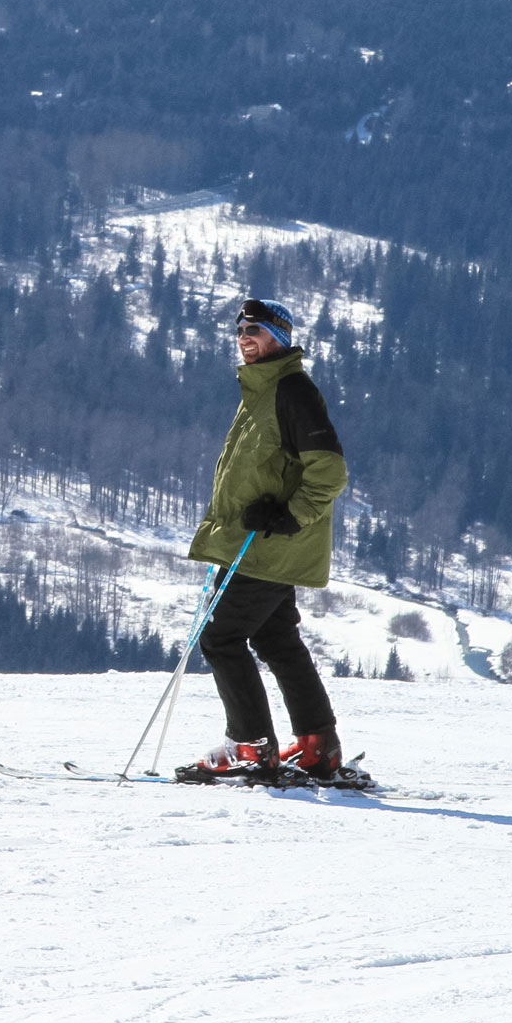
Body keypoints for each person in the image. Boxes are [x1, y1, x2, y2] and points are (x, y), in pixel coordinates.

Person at [178, 299, 359, 785]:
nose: (244, 336)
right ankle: (318, 745)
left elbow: (330, 471)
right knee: (276, 639)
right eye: (240, 329)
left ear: (280, 335)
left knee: (221, 637)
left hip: (269, 545)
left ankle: (250, 746)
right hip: (260, 542)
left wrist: (288, 516)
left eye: (255, 329)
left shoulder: (291, 391)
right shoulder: (261, 390)